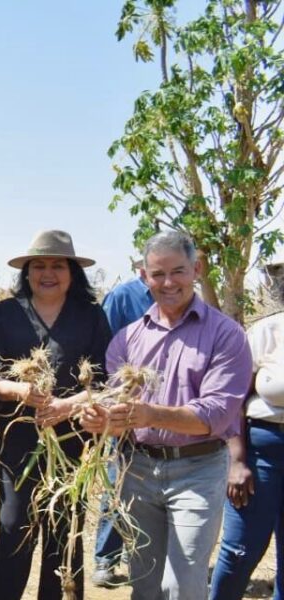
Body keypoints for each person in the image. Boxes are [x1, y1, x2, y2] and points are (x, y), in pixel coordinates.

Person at [81, 231, 252, 600]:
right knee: (144, 583)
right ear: (144, 276)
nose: (168, 282)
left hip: (199, 469)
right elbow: (117, 404)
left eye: (178, 271)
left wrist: (150, 414)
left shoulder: (227, 335)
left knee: (182, 584)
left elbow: (217, 414)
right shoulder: (126, 339)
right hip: (137, 470)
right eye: (158, 274)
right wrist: (101, 420)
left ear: (197, 269)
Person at [0, 230, 111, 600]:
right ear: (27, 272)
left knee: (64, 532)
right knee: (13, 527)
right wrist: (18, 390)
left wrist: (65, 408)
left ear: (72, 272)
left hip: (74, 444)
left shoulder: (90, 317)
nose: (47, 272)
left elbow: (105, 382)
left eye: (57, 265)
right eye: (38, 265)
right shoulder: (4, 313)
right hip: (17, 440)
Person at [210, 261, 284, 598]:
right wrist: (237, 461)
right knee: (240, 550)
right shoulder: (267, 332)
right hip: (263, 453)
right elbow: (232, 401)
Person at [91, 260, 153, 588]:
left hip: (164, 411)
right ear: (142, 265)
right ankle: (105, 558)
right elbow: (105, 349)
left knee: (149, 486)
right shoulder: (122, 297)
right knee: (118, 480)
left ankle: (139, 554)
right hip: (125, 406)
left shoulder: (177, 297)